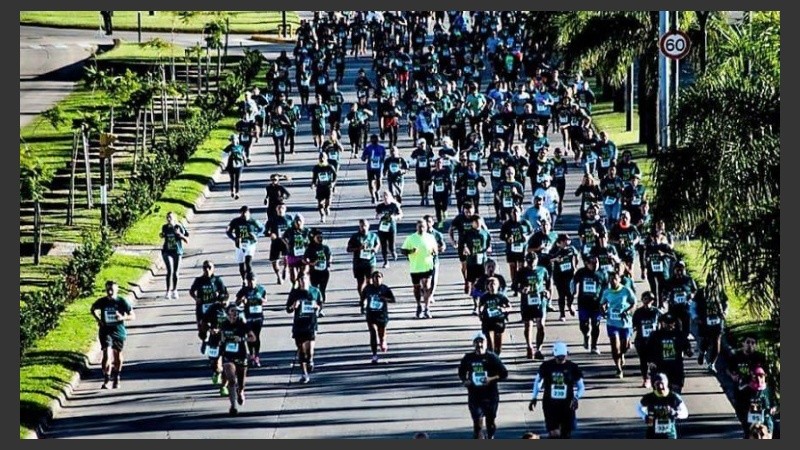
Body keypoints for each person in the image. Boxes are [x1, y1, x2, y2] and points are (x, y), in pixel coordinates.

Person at [528, 342, 585, 439]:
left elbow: (581, 387)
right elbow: (538, 381)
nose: (561, 359)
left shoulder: (573, 367)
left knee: (565, 434)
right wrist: (534, 397)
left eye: (563, 357)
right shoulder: (546, 366)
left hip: (567, 405)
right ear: (554, 355)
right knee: (554, 434)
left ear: (567, 354)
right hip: (550, 405)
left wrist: (576, 398)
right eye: (559, 357)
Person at [458, 332, 509, 439]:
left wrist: (491, 379)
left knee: (490, 422)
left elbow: (504, 373)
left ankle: (490, 437)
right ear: (473, 344)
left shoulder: (492, 357)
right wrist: (465, 380)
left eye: (482, 342)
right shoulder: (468, 357)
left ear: (486, 343)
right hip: (475, 395)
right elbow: (461, 372)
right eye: (477, 343)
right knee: (477, 424)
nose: (479, 345)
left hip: (490, 395)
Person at [91, 280, 134, 389]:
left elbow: (133, 316)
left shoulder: (121, 301)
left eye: (112, 290)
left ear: (117, 290)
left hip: (118, 331)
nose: (110, 292)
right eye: (108, 290)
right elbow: (93, 309)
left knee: (117, 355)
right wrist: (98, 319)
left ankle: (116, 377)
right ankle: (106, 379)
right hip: (105, 331)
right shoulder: (102, 301)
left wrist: (122, 317)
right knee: (107, 353)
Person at [218, 303, 257, 415]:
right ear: (227, 314)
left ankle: (240, 391)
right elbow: (221, 340)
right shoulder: (224, 325)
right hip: (228, 356)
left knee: (241, 382)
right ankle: (233, 406)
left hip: (240, 355)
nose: (233, 316)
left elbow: (253, 338)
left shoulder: (242, 324)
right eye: (231, 313)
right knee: (231, 380)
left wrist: (242, 339)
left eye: (235, 314)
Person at [286, 273, 323, 384]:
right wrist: (293, 306)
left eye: (305, 279)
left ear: (308, 279)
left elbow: (320, 305)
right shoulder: (294, 293)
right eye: (301, 280)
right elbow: (288, 309)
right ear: (298, 281)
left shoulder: (315, 291)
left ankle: (310, 360)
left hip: (311, 324)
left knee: (310, 351)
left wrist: (317, 307)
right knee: (301, 351)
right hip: (299, 325)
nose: (303, 282)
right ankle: (304, 374)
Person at [513, 252, 551, 360]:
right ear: (526, 262)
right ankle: (529, 347)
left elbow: (548, 282)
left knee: (541, 325)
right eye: (529, 263)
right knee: (528, 325)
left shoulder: (542, 270)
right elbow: (514, 286)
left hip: (540, 301)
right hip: (527, 301)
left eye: (533, 263)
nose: (531, 265)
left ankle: (539, 349)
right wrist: (521, 290)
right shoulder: (521, 272)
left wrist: (548, 292)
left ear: (537, 261)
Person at [600, 271, 637, 378]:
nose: (613, 281)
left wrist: (628, 311)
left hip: (625, 323)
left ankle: (622, 355)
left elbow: (634, 303)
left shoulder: (626, 290)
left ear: (619, 279)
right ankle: (618, 369)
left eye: (615, 279)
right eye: (611, 279)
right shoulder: (607, 292)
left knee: (624, 347)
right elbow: (601, 303)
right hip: (612, 322)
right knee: (615, 347)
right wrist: (603, 312)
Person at [401, 219, 439, 319]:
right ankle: (418, 306)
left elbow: (435, 250)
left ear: (426, 227)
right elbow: (403, 250)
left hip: (427, 266)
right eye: (419, 226)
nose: (421, 228)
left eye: (423, 226)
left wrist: (434, 252)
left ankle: (427, 308)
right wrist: (411, 251)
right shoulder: (411, 238)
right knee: (417, 288)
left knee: (427, 286)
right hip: (415, 267)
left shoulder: (430, 237)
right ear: (416, 227)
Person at [190, 260, 229, 357]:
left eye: (209, 267)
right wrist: (196, 298)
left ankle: (215, 348)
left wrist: (223, 300)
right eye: (205, 268)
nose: (207, 269)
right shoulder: (199, 280)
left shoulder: (217, 280)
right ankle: (204, 340)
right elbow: (191, 291)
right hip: (202, 308)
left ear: (213, 268)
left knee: (215, 328)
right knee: (202, 329)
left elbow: (225, 293)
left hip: (214, 308)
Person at [646, 313, 692, 393]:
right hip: (660, 367)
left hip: (676, 367)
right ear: (661, 323)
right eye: (666, 323)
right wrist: (650, 361)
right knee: (660, 392)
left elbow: (687, 346)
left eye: (671, 323)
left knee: (676, 392)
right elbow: (648, 349)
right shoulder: (655, 335)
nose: (668, 325)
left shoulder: (679, 335)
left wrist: (688, 350)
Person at [637, 373, 689, 439]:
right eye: (658, 384)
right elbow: (638, 408)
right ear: (654, 385)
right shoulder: (649, 397)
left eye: (662, 383)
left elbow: (685, 413)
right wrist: (645, 417)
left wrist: (675, 413)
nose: (660, 386)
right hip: (652, 433)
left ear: (666, 383)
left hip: (669, 434)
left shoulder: (674, 397)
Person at [360, 271, 397, 364]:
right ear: (372, 279)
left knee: (381, 333)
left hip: (382, 315)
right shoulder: (368, 288)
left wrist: (385, 298)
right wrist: (362, 306)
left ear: (382, 278)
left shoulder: (385, 289)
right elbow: (362, 298)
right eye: (375, 277)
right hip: (371, 314)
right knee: (373, 332)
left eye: (379, 277)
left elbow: (393, 300)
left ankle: (383, 341)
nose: (377, 279)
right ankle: (374, 355)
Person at [571, 254, 605, 353]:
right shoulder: (581, 272)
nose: (595, 265)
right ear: (587, 263)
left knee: (596, 325)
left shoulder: (602, 273)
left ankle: (594, 346)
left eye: (597, 263)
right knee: (583, 325)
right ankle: (586, 335)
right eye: (592, 263)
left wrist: (605, 302)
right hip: (583, 304)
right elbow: (573, 282)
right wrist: (572, 294)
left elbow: (606, 288)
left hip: (597, 304)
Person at [691, 284, 727, 374]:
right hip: (704, 321)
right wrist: (695, 317)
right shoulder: (701, 292)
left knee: (716, 342)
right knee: (705, 340)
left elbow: (726, 303)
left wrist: (725, 313)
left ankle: (712, 364)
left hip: (717, 322)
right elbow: (693, 306)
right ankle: (702, 352)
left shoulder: (720, 291)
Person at [225, 206, 265, 286]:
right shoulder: (235, 221)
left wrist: (256, 235)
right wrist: (234, 239)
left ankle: (250, 280)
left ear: (249, 213)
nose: (245, 215)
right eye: (243, 214)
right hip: (240, 244)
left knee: (248, 262)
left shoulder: (253, 221)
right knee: (241, 264)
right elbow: (228, 231)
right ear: (240, 214)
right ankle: (244, 280)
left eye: (246, 213)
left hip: (250, 243)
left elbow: (262, 229)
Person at [734, 366, 777, 439]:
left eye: (761, 376)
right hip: (750, 424)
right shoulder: (745, 391)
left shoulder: (769, 390)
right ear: (752, 377)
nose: (759, 379)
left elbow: (775, 404)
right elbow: (738, 407)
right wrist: (744, 414)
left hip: (766, 423)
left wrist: (773, 409)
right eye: (755, 377)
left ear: (765, 376)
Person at [235, 272, 267, 368]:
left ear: (256, 280)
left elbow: (265, 300)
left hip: (258, 316)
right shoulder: (244, 290)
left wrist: (261, 300)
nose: (251, 283)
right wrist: (241, 300)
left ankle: (256, 356)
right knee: (250, 335)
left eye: (253, 280)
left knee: (256, 336)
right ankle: (251, 355)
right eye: (249, 281)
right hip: (248, 317)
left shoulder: (261, 289)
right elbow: (236, 303)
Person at [632, 291, 661, 388]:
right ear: (642, 300)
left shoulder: (656, 312)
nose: (647, 301)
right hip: (641, 340)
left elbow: (664, 322)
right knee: (643, 360)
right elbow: (633, 326)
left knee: (654, 360)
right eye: (645, 299)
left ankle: (655, 378)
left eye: (650, 299)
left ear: (652, 301)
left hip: (654, 341)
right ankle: (645, 379)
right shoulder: (638, 312)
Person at [478, 277, 512, 355]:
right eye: (490, 285)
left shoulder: (501, 296)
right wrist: (480, 312)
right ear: (487, 286)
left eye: (494, 284)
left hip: (498, 321)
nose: (492, 286)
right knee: (490, 344)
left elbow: (510, 307)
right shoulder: (484, 297)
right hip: (487, 321)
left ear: (498, 285)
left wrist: (504, 309)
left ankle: (496, 356)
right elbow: (480, 307)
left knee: (498, 347)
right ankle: (491, 357)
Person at [549, 233, 579, 321]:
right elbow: (548, 259)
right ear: (560, 242)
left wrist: (575, 266)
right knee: (561, 295)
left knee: (571, 293)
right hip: (559, 275)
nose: (567, 242)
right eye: (565, 241)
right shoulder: (555, 250)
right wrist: (556, 259)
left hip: (570, 274)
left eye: (568, 240)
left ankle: (570, 304)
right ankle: (562, 314)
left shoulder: (571, 249)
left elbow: (576, 256)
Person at [303, 229, 332, 317]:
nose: (320, 239)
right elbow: (304, 260)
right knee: (315, 290)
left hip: (324, 272)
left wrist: (329, 262)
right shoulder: (310, 249)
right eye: (318, 237)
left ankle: (321, 308)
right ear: (313, 238)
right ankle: (316, 307)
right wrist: (311, 263)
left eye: (321, 237)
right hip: (314, 272)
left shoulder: (325, 248)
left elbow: (330, 256)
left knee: (322, 290)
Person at [159, 211, 188, 300]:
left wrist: (179, 234)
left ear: (174, 218)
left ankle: (174, 290)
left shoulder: (178, 227)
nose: (168, 219)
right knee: (169, 271)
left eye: (170, 217)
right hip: (167, 251)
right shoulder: (165, 227)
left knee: (175, 272)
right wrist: (162, 235)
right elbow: (163, 235)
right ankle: (168, 291)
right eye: (167, 217)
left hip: (177, 251)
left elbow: (186, 238)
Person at [266, 202, 293, 285]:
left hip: (286, 242)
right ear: (276, 209)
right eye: (279, 208)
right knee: (274, 261)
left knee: (286, 257)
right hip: (276, 242)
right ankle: (278, 276)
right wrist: (270, 234)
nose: (280, 210)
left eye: (282, 208)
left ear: (285, 209)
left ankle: (286, 268)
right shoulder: (272, 219)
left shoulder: (289, 218)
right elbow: (265, 231)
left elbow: (294, 229)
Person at [375, 191, 403, 268]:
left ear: (390, 197)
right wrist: (379, 216)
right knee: (383, 246)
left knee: (391, 246)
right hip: (382, 228)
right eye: (384, 196)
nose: (385, 197)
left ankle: (393, 251)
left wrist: (394, 217)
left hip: (391, 228)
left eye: (387, 196)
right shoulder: (380, 206)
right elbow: (377, 216)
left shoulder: (394, 205)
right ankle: (385, 261)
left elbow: (400, 215)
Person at [282, 214, 311, 286]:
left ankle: (301, 285)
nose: (298, 223)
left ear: (303, 222)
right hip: (292, 255)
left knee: (303, 273)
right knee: (293, 277)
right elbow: (283, 237)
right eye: (296, 221)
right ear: (294, 222)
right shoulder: (290, 230)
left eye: (300, 221)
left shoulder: (307, 231)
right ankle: (295, 284)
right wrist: (287, 244)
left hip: (304, 256)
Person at [311, 153, 338, 223]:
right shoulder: (316, 168)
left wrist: (333, 183)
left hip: (328, 187)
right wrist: (313, 184)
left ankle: (327, 207)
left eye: (323, 157)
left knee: (328, 201)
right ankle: (322, 215)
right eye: (320, 158)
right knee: (320, 203)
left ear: (326, 158)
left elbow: (335, 176)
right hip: (320, 187)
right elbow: (314, 177)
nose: (322, 159)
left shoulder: (330, 167)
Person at [362, 134, 387, 204]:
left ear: (378, 140)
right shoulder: (368, 148)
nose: (374, 141)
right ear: (370, 140)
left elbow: (384, 158)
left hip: (379, 167)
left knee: (379, 181)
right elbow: (363, 158)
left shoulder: (381, 148)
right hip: (370, 167)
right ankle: (373, 196)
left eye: (375, 139)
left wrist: (381, 160)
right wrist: (366, 157)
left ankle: (377, 191)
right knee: (370, 182)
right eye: (372, 139)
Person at [223, 134, 246, 199]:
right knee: (233, 179)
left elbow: (243, 154)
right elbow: (224, 156)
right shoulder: (229, 147)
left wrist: (245, 160)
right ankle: (233, 191)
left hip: (238, 165)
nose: (233, 141)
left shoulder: (240, 147)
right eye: (232, 140)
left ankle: (236, 192)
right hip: (232, 165)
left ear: (237, 140)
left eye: (234, 139)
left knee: (236, 179)